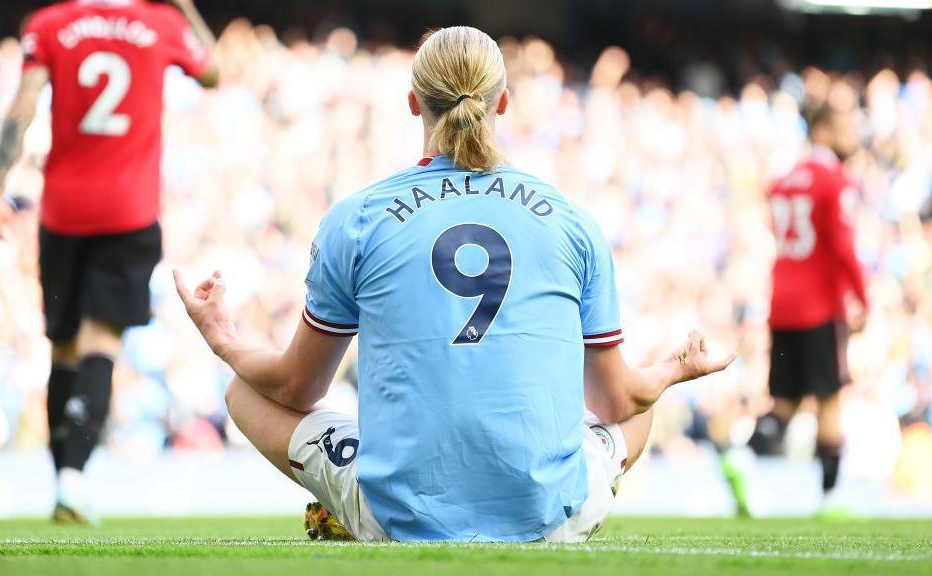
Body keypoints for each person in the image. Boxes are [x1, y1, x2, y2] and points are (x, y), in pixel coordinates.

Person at [175, 26, 733, 542]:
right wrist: (674, 370)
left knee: (243, 389)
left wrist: (223, 337)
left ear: (413, 102)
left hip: (396, 517)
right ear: (504, 102)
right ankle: (553, 520)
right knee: (642, 403)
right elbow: (616, 399)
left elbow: (296, 389)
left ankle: (352, 511)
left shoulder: (357, 217)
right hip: (547, 517)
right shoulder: (572, 221)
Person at [0, 0, 218, 524]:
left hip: (63, 211)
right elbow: (212, 72)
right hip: (129, 213)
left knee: (63, 347)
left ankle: (61, 478)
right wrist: (185, 7)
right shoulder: (160, 24)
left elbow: (23, 105)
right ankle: (73, 479)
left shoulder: (50, 24)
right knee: (101, 345)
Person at [741, 105, 868, 519]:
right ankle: (830, 500)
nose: (854, 134)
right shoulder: (835, 180)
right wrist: (862, 299)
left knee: (786, 402)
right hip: (820, 304)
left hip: (782, 304)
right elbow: (842, 246)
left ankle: (739, 462)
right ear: (825, 129)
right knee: (830, 399)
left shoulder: (782, 183)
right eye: (847, 125)